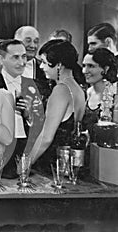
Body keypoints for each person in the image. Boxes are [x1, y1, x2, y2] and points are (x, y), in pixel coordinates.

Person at [0, 39, 44, 178]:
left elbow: (42, 125)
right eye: (16, 57)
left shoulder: (33, 85)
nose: (22, 62)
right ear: (1, 59)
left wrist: (28, 115)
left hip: (23, 150)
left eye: (24, 56)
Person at [28, 40, 86, 170]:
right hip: (69, 164)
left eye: (44, 62)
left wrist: (25, 163)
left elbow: (46, 137)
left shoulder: (61, 90)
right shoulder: (78, 89)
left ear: (59, 65)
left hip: (52, 165)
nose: (41, 67)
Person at [82, 48, 118, 138]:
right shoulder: (88, 92)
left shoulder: (114, 94)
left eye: (91, 66)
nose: (85, 71)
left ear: (106, 68)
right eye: (84, 66)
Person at [14, 26, 51, 108]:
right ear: (16, 42)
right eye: (28, 41)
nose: (33, 46)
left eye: (36, 41)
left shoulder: (45, 69)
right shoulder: (5, 67)